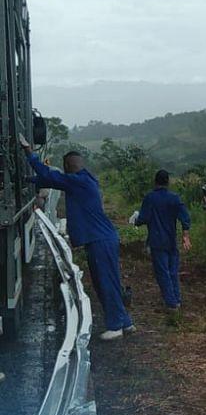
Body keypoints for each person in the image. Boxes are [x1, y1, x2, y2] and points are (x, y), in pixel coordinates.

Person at [19, 135, 134, 341]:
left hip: (99, 240)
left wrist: (28, 151)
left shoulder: (77, 182)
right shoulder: (84, 179)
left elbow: (50, 176)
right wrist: (30, 179)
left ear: (67, 165)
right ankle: (125, 322)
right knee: (110, 280)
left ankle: (116, 326)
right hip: (103, 238)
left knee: (105, 282)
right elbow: (51, 179)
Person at [131, 170, 191, 312]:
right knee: (173, 271)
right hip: (171, 240)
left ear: (155, 182)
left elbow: (143, 218)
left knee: (162, 272)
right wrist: (185, 235)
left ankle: (171, 304)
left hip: (157, 241)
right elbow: (185, 217)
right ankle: (176, 299)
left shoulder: (150, 198)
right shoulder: (174, 198)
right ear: (168, 182)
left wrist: (135, 219)